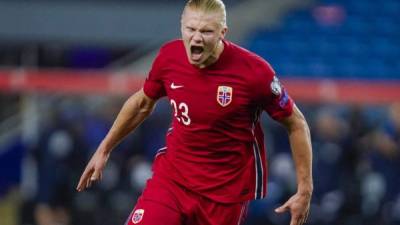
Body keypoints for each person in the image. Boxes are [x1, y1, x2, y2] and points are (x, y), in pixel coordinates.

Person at [76, 0, 313, 225]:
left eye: (206, 32)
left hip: (224, 196)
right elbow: (142, 103)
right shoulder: (170, 57)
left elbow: (296, 124)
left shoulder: (254, 72)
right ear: (181, 26)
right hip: (172, 181)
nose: (196, 38)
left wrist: (305, 190)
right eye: (190, 29)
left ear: (223, 32)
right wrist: (105, 148)